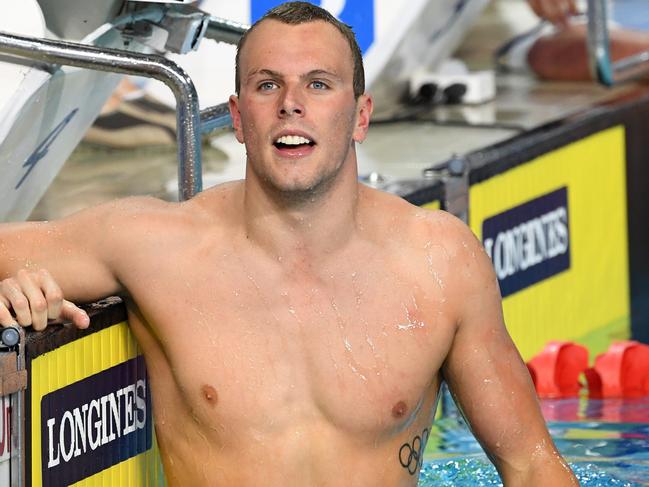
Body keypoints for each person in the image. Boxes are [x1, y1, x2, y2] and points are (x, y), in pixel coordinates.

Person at [0, 2, 577, 485]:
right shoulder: (157, 248)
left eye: (318, 84)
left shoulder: (439, 263)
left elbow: (530, 465)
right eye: (267, 85)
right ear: (237, 116)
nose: (290, 104)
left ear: (360, 116)